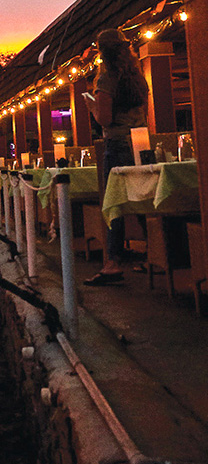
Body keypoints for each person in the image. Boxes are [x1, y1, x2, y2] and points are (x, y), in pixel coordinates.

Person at [84, 29, 148, 285]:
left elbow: (105, 119)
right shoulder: (137, 76)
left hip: (118, 143)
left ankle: (113, 263)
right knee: (144, 196)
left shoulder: (107, 79)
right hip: (141, 142)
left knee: (114, 203)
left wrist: (92, 107)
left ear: (102, 52)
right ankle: (155, 253)